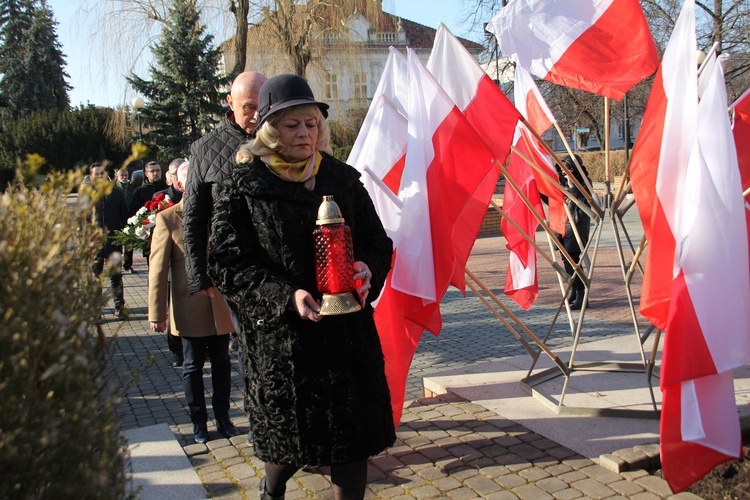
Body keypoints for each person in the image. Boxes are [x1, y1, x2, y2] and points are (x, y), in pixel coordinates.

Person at [207, 74, 395, 500]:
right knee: (289, 447)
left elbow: (378, 242)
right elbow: (227, 263)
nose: (305, 134)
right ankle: (272, 490)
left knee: (351, 453)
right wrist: (285, 296)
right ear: (270, 129)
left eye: (311, 124)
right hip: (285, 347)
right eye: (293, 125)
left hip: (348, 342)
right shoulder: (243, 186)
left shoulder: (342, 179)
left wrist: (367, 270)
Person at [148, 161, 242, 444]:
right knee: (192, 367)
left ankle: (224, 419)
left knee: (223, 363)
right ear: (179, 184)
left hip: (221, 305)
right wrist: (157, 313)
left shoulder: (221, 213)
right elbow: (157, 269)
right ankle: (199, 423)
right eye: (190, 178)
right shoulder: (167, 219)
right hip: (188, 307)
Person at [183, 71, 267, 296]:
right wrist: (197, 276)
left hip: (280, 267)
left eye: (263, 105)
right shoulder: (204, 149)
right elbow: (193, 218)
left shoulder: (284, 140)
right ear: (231, 102)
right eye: (248, 107)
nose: (257, 115)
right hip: (234, 269)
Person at [90, 162, 128, 319]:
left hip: (114, 240)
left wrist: (125, 236)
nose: (99, 176)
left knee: (115, 277)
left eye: (102, 173)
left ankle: (119, 306)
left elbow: (124, 215)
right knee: (94, 277)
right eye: (96, 174)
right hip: (94, 242)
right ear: (91, 176)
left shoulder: (117, 193)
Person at [560, 154, 591, 310]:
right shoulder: (563, 182)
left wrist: (572, 187)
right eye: (563, 169)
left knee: (574, 261)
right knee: (566, 261)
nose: (564, 172)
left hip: (577, 225)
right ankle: (573, 288)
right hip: (563, 225)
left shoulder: (584, 182)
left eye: (567, 168)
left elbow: (582, 200)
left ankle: (582, 293)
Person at [130, 161, 168, 266]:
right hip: (149, 235)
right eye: (152, 171)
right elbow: (134, 213)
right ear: (146, 174)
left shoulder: (167, 188)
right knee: (152, 267)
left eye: (158, 170)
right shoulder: (140, 192)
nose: (156, 173)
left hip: (167, 232)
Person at [114, 168, 136, 274]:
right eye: (122, 175)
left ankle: (127, 265)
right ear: (117, 177)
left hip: (130, 219)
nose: (124, 177)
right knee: (117, 244)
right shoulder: (113, 188)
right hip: (117, 219)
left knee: (129, 244)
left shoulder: (132, 188)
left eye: (126, 175)